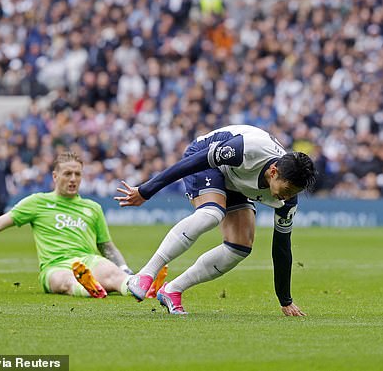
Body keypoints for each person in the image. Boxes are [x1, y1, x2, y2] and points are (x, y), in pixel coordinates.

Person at [115, 125, 318, 316]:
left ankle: (172, 290)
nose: (288, 196)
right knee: (212, 214)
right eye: (287, 190)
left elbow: (282, 246)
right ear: (273, 172)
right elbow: (192, 162)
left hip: (235, 181)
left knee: (240, 246)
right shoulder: (246, 150)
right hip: (205, 159)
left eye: (294, 193)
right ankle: (145, 274)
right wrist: (146, 190)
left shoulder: (288, 200)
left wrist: (285, 299)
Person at [0, 151, 146, 299]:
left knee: (111, 271)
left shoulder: (92, 208)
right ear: (55, 176)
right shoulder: (37, 202)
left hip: (88, 260)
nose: (73, 179)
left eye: (77, 174)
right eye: (67, 173)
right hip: (55, 266)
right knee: (64, 281)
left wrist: (126, 270)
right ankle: (88, 288)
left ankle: (134, 286)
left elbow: (107, 246)